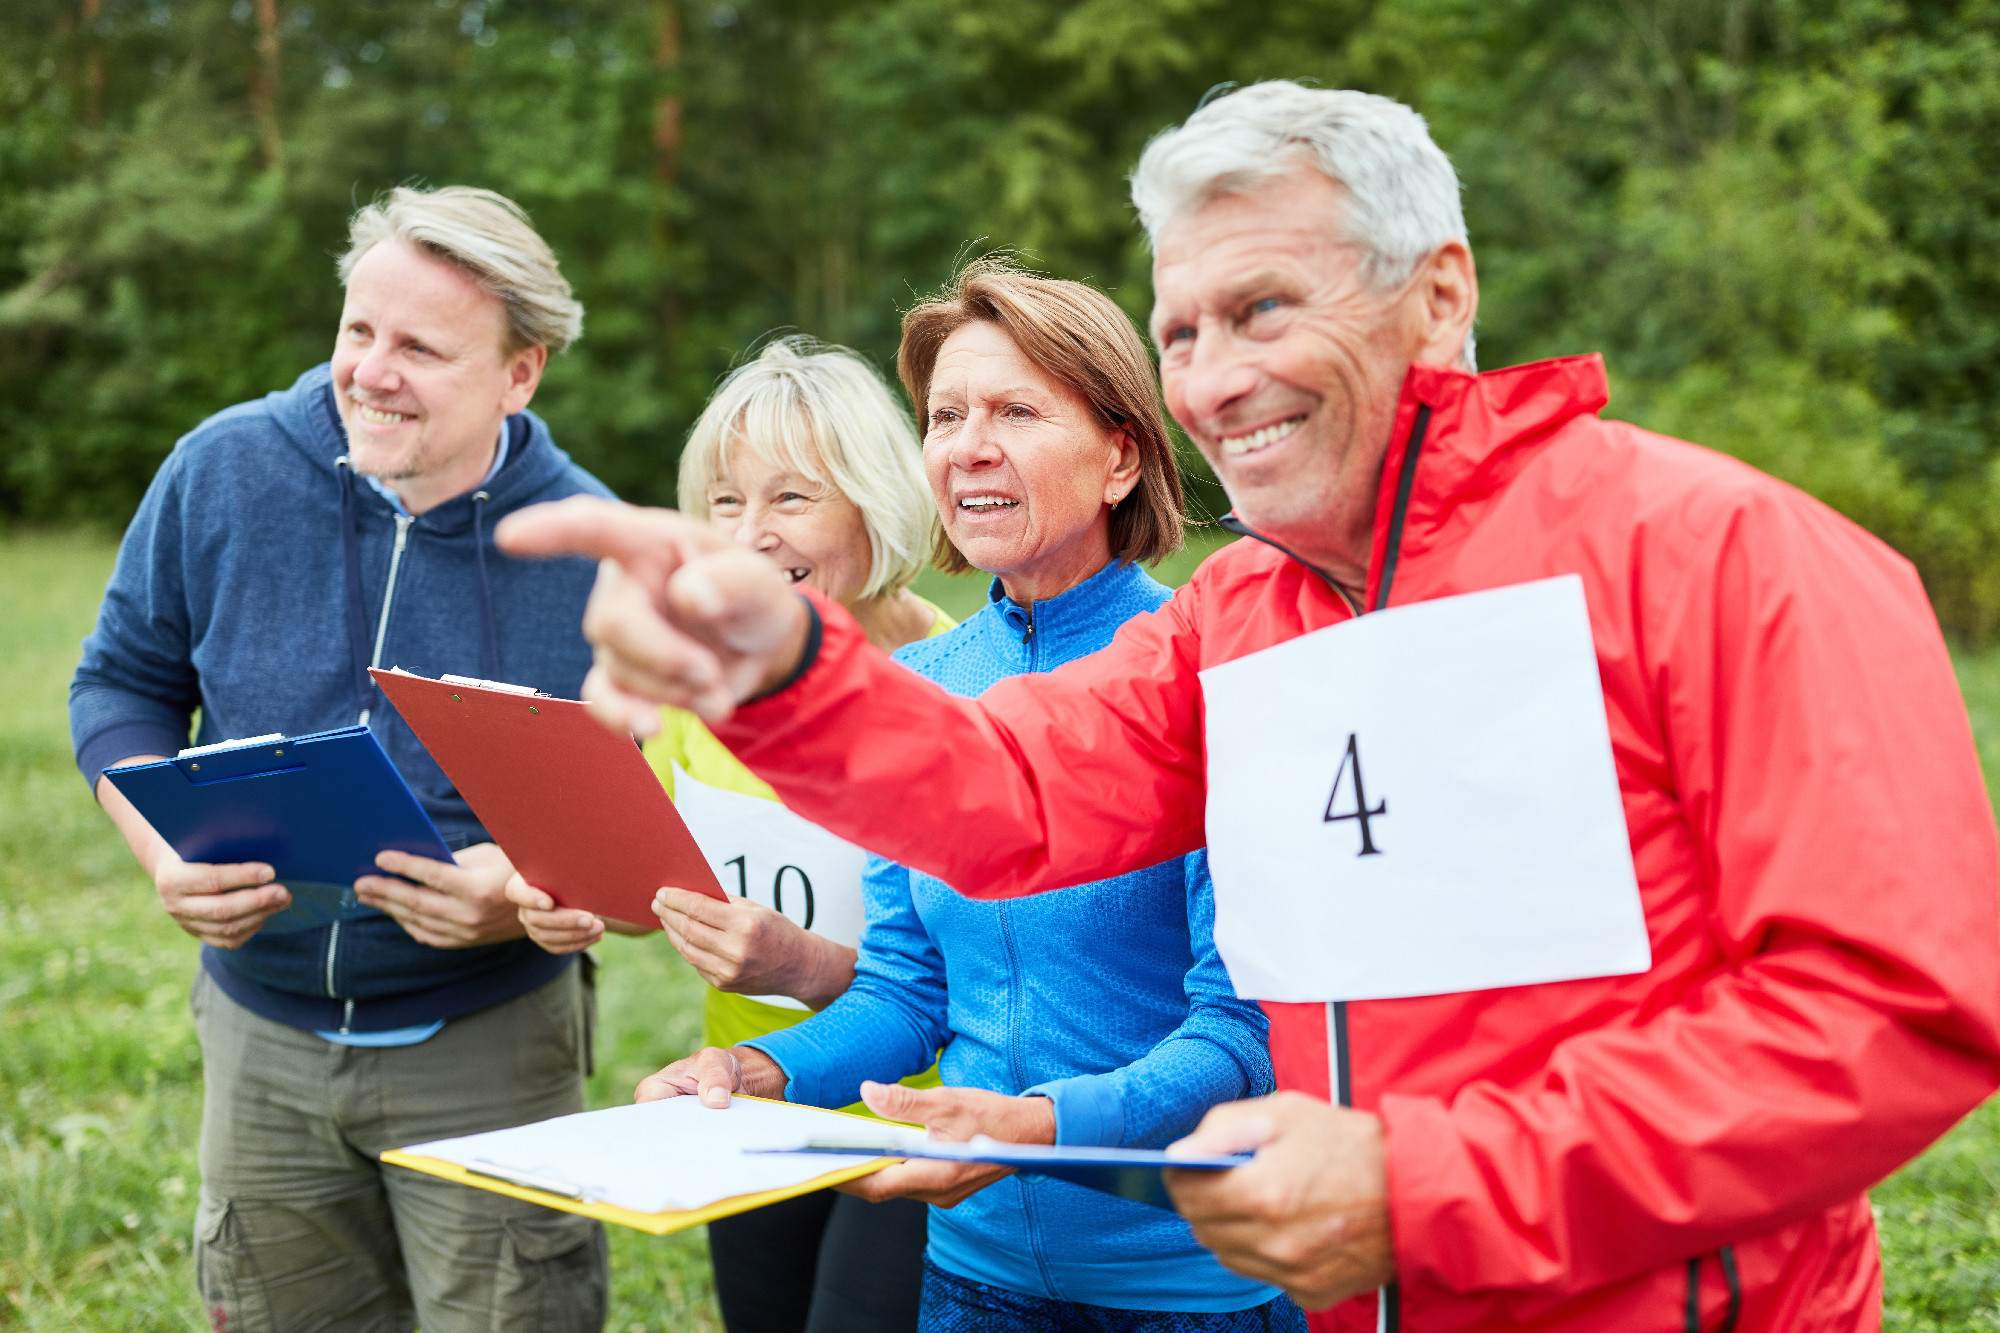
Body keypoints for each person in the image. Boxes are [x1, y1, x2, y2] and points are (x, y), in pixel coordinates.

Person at [502, 81, 2000, 1333]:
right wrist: (783, 665)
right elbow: (1012, 790)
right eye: (1185, 329)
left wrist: (1424, 1187)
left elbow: (1894, 1006)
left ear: (1443, 293)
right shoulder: (1247, 614)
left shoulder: (1728, 553)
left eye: (1263, 308)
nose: (1214, 378)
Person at [640, 261, 1300, 1333]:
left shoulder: (1206, 670)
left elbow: (1237, 1033)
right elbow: (905, 994)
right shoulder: (918, 692)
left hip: (1188, 1288)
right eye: (945, 415)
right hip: (970, 1279)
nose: (967, 444)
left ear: (1120, 456)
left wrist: (1033, 1124)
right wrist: (752, 1066)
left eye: (1014, 411)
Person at [72, 186, 614, 1333]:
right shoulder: (220, 472)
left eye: (419, 346)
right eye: (357, 331)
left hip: (488, 1049)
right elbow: (121, 681)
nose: (369, 371)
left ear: (521, 374)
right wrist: (160, 847)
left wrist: (518, 894)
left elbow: (619, 829)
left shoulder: (591, 551)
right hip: (258, 1036)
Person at [506, 336, 952, 1333]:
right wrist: (573, 896)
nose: (748, 533)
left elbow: (1003, 966)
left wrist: (809, 963)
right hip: (737, 1096)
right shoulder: (690, 681)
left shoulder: (955, 683)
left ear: (872, 499)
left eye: (790, 499)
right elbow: (646, 883)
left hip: (913, 1113)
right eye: (723, 502)